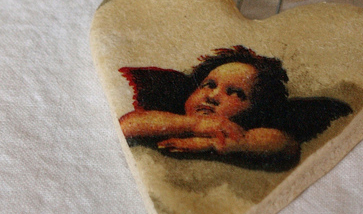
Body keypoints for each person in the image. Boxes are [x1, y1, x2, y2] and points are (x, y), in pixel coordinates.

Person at [119, 47, 300, 166]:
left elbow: (286, 144)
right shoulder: (168, 121)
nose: (212, 96)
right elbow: (128, 124)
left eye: (234, 93)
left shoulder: (245, 134)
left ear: (255, 110)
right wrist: (194, 124)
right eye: (209, 85)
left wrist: (217, 143)